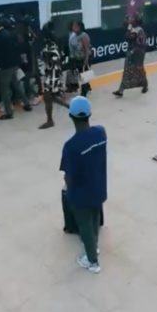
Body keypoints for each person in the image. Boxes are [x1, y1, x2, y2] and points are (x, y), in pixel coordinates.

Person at [60, 96, 107, 274]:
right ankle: (93, 247)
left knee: (84, 225)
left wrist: (68, 188)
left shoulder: (70, 146)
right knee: (94, 218)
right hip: (98, 187)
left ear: (71, 117)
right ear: (90, 114)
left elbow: (69, 175)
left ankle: (92, 261)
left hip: (80, 194)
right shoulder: (101, 133)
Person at [0, 20, 33, 120]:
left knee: (5, 90)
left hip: (5, 66)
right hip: (14, 64)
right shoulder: (9, 34)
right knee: (17, 84)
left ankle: (9, 112)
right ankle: (27, 104)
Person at [38, 22, 71, 130]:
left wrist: (45, 59)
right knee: (51, 97)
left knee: (48, 96)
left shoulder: (50, 44)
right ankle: (70, 107)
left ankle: (50, 120)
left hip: (52, 73)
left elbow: (53, 59)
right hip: (54, 72)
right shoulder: (53, 42)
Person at [113, 15, 149, 97]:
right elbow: (126, 37)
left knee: (139, 69)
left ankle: (144, 84)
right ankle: (121, 90)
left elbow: (142, 44)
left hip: (138, 54)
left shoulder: (140, 31)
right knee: (127, 70)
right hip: (130, 53)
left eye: (132, 18)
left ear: (136, 21)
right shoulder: (131, 28)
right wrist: (128, 27)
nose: (130, 19)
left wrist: (133, 51)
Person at [67, 20, 93, 97]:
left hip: (82, 58)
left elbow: (86, 49)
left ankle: (84, 92)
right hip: (76, 58)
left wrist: (86, 60)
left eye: (75, 26)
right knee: (78, 73)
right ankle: (86, 87)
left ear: (79, 27)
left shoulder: (84, 36)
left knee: (83, 75)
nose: (73, 27)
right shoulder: (74, 36)